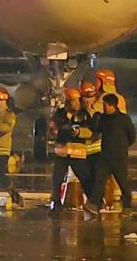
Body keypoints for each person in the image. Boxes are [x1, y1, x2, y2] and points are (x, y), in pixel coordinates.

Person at [48, 86, 100, 215]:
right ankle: (56, 203)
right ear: (67, 102)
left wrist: (78, 132)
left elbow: (91, 131)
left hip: (77, 151)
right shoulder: (60, 114)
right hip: (62, 151)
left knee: (85, 177)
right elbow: (53, 128)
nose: (76, 103)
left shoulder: (84, 114)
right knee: (57, 178)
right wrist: (55, 130)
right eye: (73, 101)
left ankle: (94, 202)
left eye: (77, 100)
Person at [84, 94, 136, 216]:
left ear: (112, 106)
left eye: (105, 105)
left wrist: (122, 147)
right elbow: (95, 129)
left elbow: (132, 135)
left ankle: (127, 207)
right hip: (105, 156)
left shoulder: (123, 119)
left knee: (123, 182)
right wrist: (89, 112)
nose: (104, 107)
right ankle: (93, 204)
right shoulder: (104, 119)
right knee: (99, 180)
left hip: (119, 157)